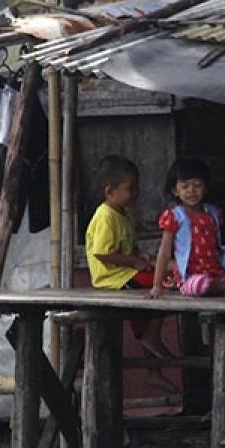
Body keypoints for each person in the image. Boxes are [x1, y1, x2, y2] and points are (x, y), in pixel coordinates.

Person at [84, 155, 175, 388]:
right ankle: (152, 340)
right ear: (110, 190)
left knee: (151, 304)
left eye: (136, 188)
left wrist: (141, 256)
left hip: (127, 274)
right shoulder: (105, 216)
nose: (135, 193)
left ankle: (153, 370)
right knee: (162, 285)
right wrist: (133, 262)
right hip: (112, 279)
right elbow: (101, 253)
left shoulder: (125, 213)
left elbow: (129, 246)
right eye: (130, 188)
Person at [149, 157, 225, 299]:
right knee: (201, 285)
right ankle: (221, 288)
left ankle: (223, 289)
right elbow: (164, 253)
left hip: (218, 273)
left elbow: (217, 248)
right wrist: (156, 285)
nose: (191, 191)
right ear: (175, 191)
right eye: (185, 186)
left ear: (206, 188)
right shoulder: (174, 216)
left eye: (197, 185)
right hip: (191, 278)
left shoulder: (214, 213)